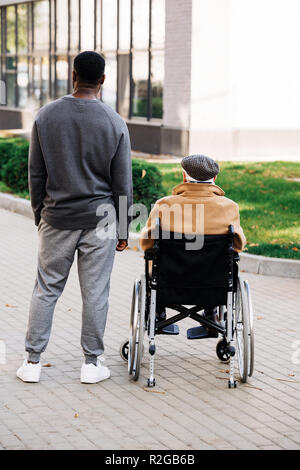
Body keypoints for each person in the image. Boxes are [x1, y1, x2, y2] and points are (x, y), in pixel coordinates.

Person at [17, 51, 132, 384]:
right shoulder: (114, 122)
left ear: (73, 76)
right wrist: (123, 228)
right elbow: (122, 182)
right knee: (95, 293)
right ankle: (92, 364)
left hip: (56, 219)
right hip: (102, 221)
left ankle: (32, 362)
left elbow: (35, 173)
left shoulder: (46, 116)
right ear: (103, 80)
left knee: (46, 289)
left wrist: (40, 214)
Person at [140, 154, 246, 335]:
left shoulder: (164, 205)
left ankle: (158, 313)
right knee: (220, 263)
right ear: (214, 179)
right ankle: (211, 313)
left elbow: (147, 243)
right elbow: (237, 246)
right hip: (214, 283)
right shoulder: (229, 207)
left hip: (170, 281)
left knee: (154, 260)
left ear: (183, 176)